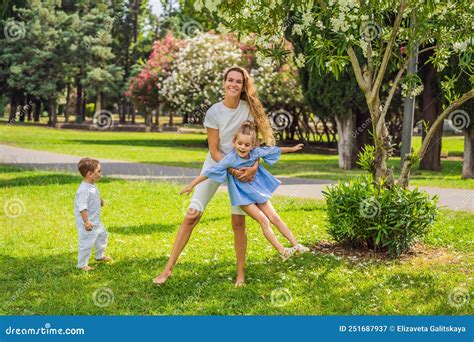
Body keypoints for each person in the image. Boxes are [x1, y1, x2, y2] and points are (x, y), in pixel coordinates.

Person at [153, 66, 274, 286]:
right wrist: (231, 169)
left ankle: (240, 275)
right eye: (230, 80)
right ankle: (167, 269)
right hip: (218, 165)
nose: (234, 84)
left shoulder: (249, 110)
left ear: (243, 85)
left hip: (242, 169)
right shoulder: (214, 112)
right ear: (224, 82)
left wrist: (253, 167)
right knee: (191, 215)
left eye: (238, 81)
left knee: (238, 223)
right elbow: (215, 150)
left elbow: (255, 144)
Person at [180, 121, 310, 261]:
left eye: (247, 145)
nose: (242, 147)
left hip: (257, 191)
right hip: (243, 197)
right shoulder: (230, 159)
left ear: (252, 145)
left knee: (275, 218)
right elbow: (209, 172)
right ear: (234, 142)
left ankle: (297, 245)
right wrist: (191, 185)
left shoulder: (254, 153)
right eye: (240, 143)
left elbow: (274, 150)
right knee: (264, 220)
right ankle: (282, 251)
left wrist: (292, 149)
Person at [74, 158, 111, 271]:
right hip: (88, 223)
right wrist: (86, 222)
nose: (100, 174)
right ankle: (82, 264)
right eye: (98, 171)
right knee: (86, 243)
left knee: (102, 236)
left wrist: (99, 200)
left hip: (96, 221)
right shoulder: (83, 190)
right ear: (90, 174)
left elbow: (94, 194)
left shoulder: (91, 185)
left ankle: (99, 256)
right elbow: (82, 207)